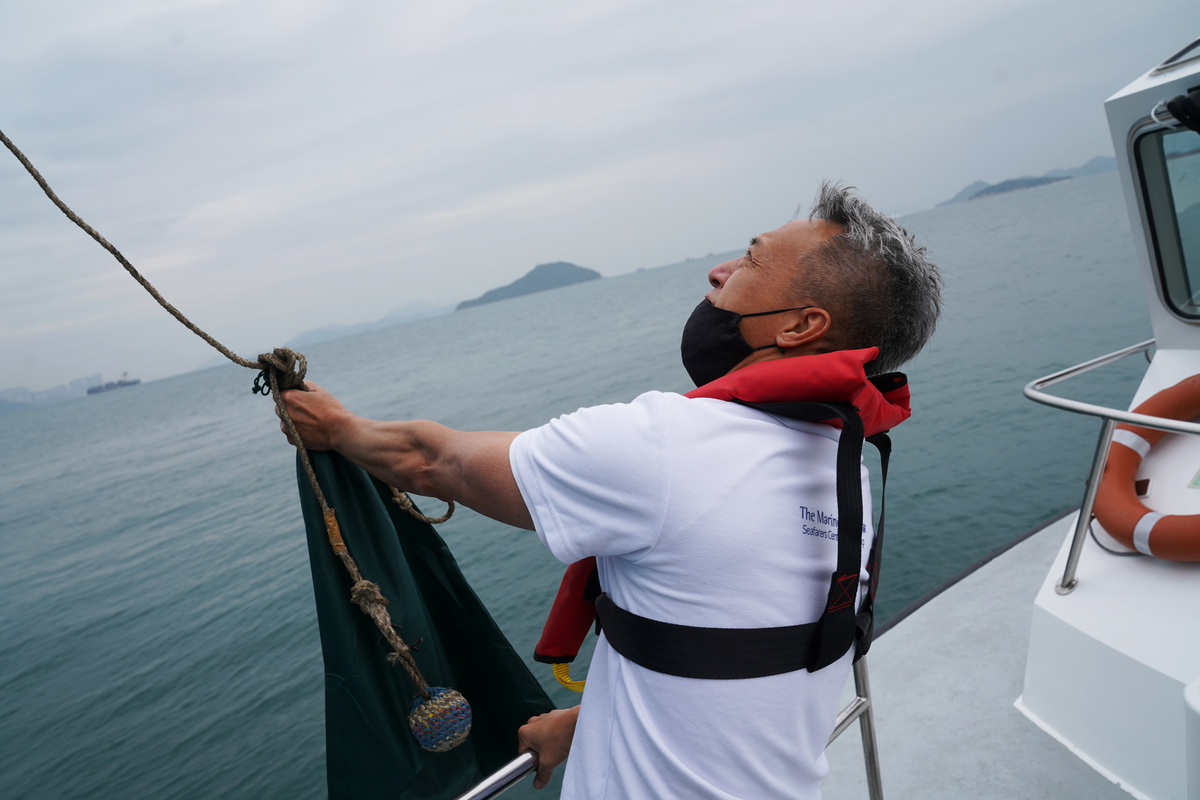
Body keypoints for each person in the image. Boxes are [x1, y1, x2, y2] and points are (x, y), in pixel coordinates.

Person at [279, 181, 941, 799]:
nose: (718, 272)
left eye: (749, 259)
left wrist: (336, 428)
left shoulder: (666, 446)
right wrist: (588, 719)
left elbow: (433, 462)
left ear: (799, 327)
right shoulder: (844, 468)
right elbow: (742, 644)